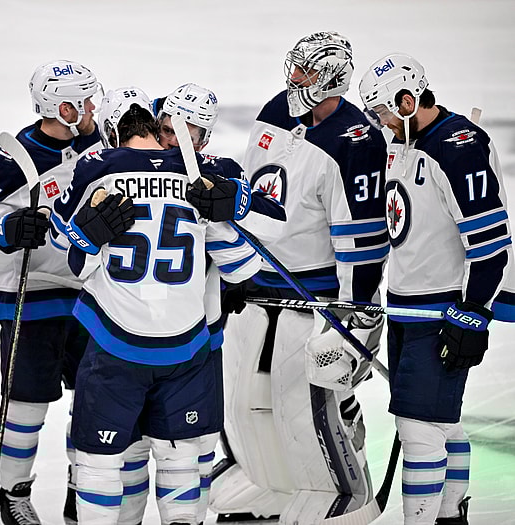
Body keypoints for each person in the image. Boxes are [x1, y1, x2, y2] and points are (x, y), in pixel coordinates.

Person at [53, 86, 262, 525]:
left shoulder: (98, 169)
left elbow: (74, 260)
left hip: (116, 347)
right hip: (188, 346)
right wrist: (232, 208)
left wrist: (84, 237)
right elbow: (244, 264)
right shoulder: (200, 175)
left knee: (101, 465)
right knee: (183, 460)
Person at [214, 31, 389, 524]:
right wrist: (234, 268)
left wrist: (356, 315)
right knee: (247, 401)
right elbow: (254, 192)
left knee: (304, 407)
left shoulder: (357, 142)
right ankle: (268, 484)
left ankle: (343, 496)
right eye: (293, 67)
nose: (293, 78)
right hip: (259, 286)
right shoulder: (277, 109)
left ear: (332, 78)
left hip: (313, 297)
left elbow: (363, 242)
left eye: (306, 71)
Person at [116, 83, 286, 525]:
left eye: (188, 134)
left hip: (197, 340)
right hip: (126, 335)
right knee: (127, 452)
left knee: (194, 451)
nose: (175, 141)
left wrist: (236, 202)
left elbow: (276, 223)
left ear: (205, 139)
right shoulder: (126, 166)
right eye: (168, 129)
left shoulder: (218, 170)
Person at [359, 53, 511, 525]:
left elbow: (491, 247)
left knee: (418, 428)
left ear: (407, 101)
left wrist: (474, 313)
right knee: (442, 422)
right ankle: (449, 515)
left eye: (383, 112)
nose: (381, 123)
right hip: (406, 308)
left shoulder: (458, 148)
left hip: (442, 311)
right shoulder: (403, 141)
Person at [0, 59, 102, 525]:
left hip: (93, 295)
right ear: (64, 109)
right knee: (26, 403)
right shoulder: (10, 163)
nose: (93, 107)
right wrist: (8, 233)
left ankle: (82, 489)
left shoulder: (102, 147)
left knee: (93, 401)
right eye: (84, 101)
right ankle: (14, 494)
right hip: (33, 297)